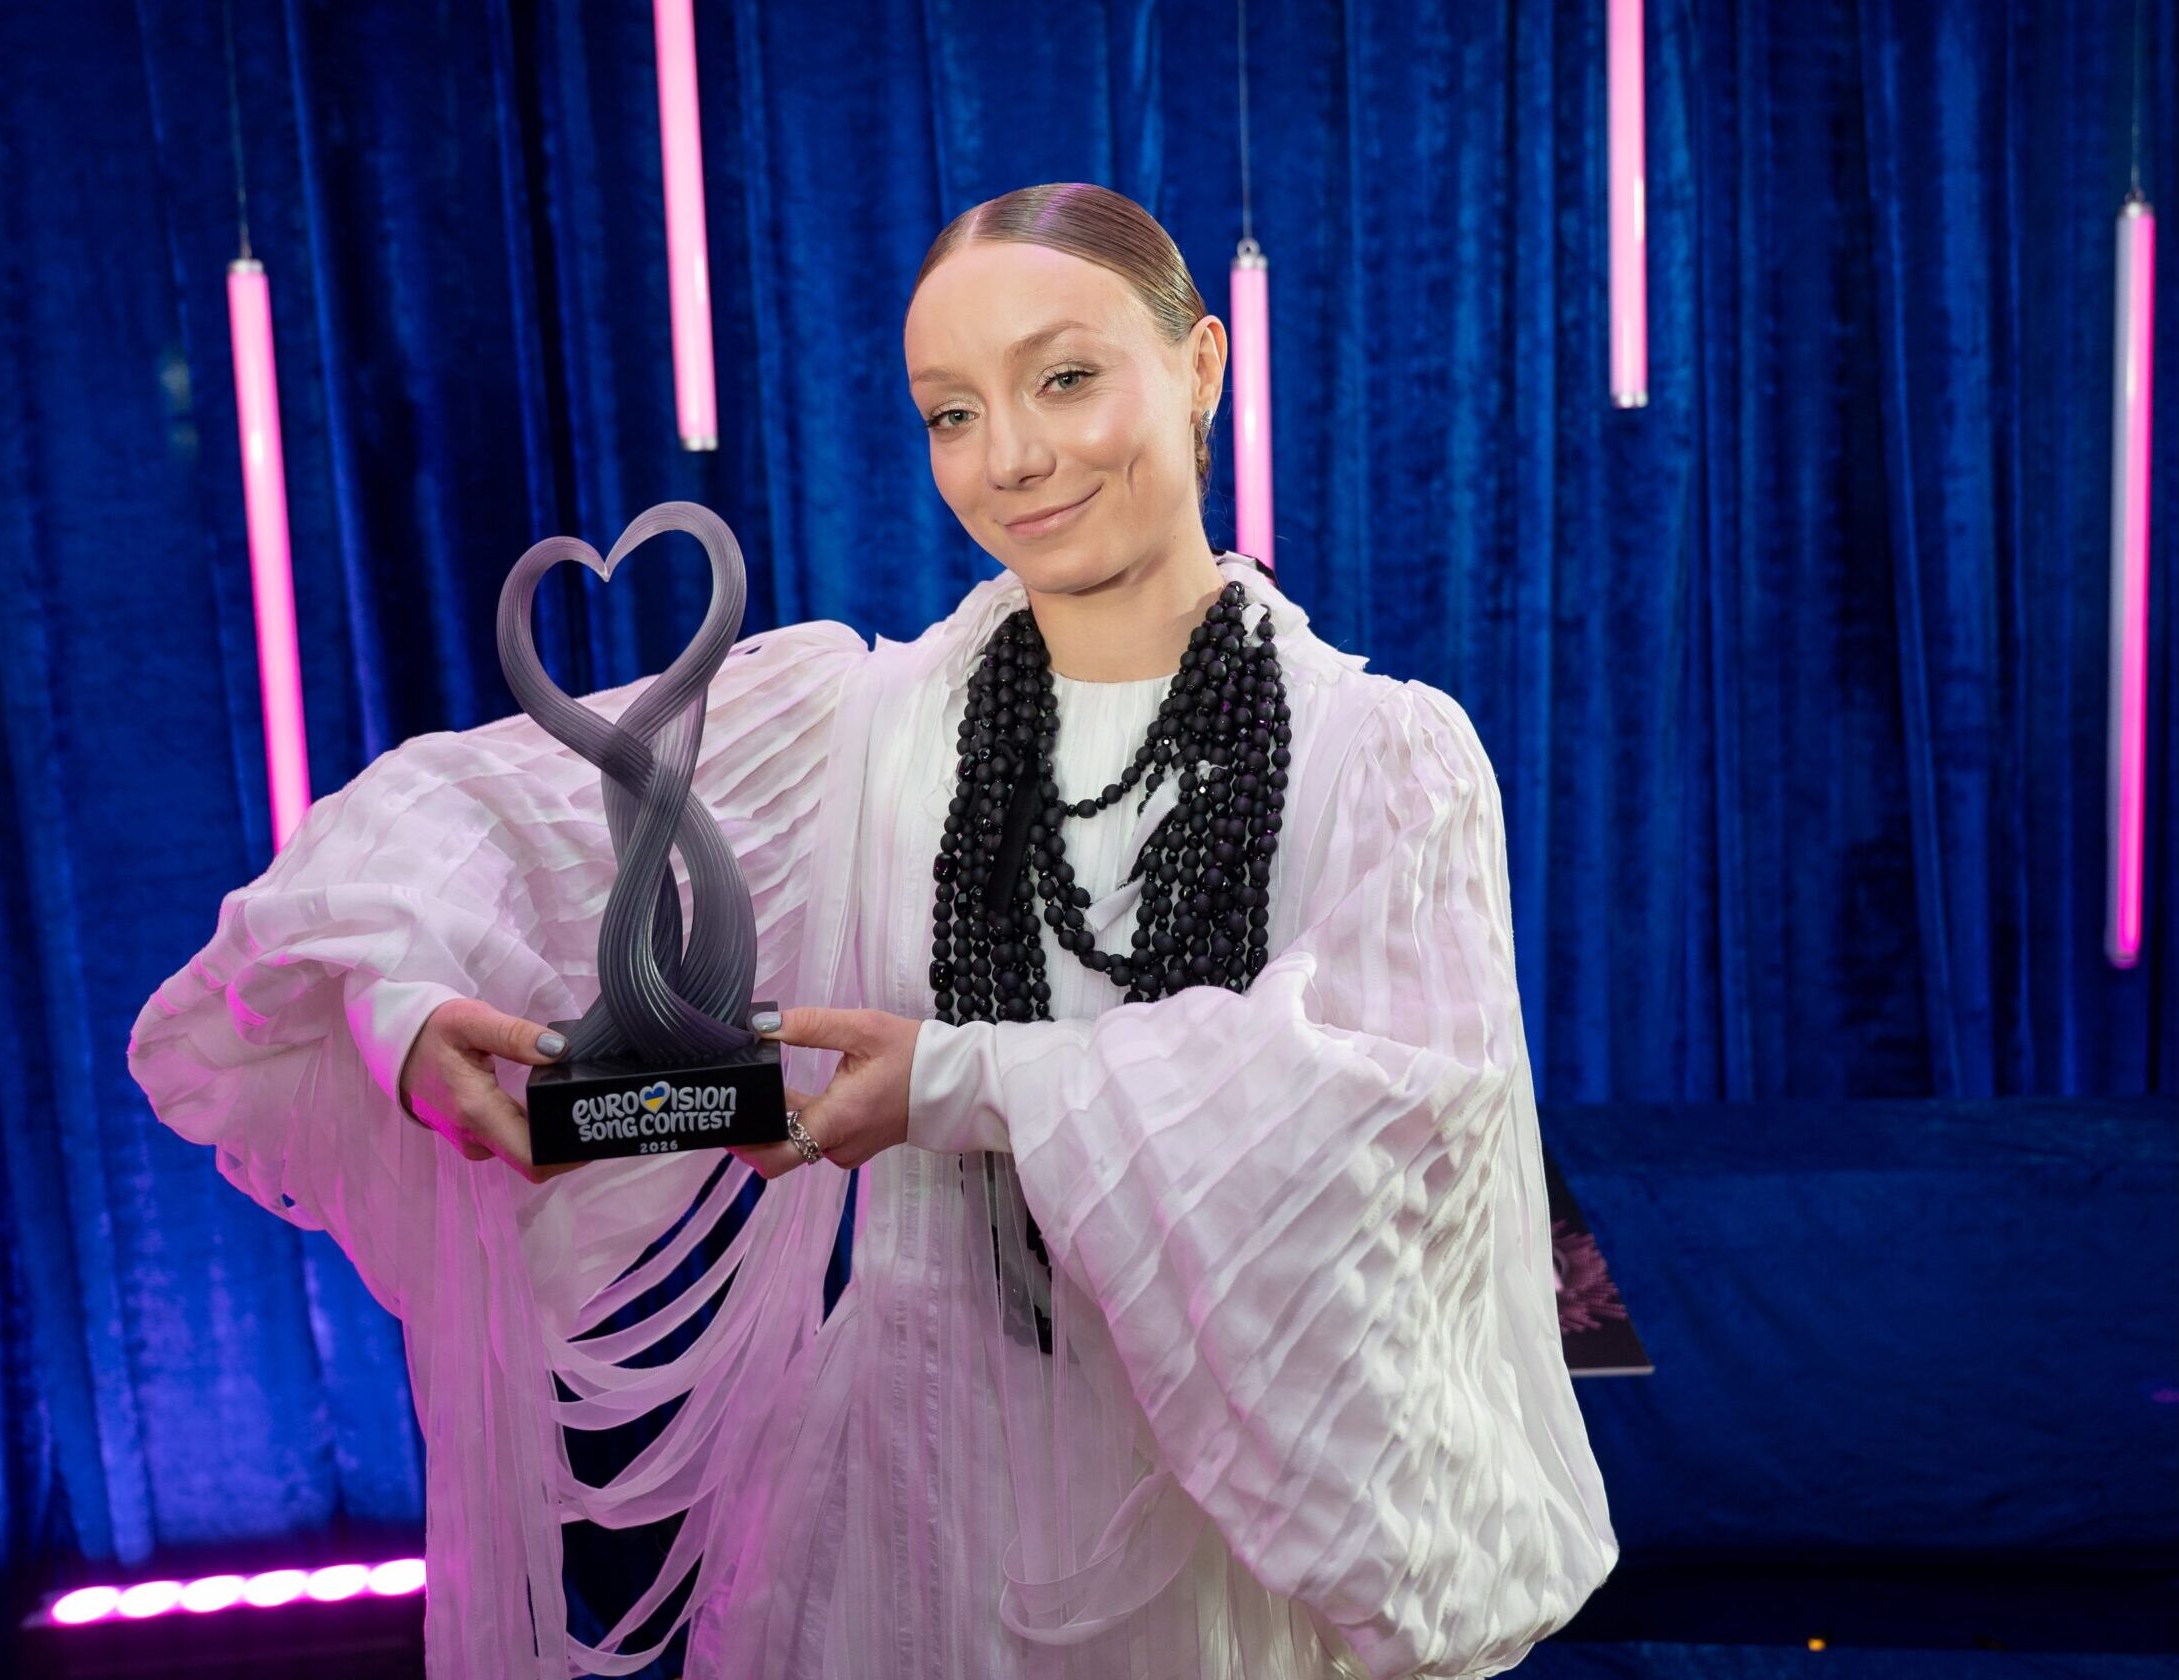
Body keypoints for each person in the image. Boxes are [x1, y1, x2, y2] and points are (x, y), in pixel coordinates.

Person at [129, 182, 1617, 1680]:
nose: (1012, 457)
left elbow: (1381, 1111)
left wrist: (958, 1082)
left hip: (1216, 1537)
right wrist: (403, 1008)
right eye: (950, 413)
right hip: (904, 1509)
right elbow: (478, 818)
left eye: (1065, 379)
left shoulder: (1379, 757)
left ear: (1205, 364)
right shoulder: (867, 726)